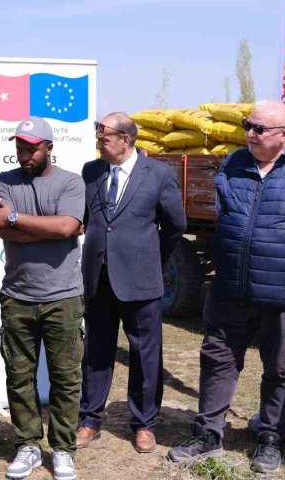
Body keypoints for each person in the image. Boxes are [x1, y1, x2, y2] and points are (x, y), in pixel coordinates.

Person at [168, 100, 285, 474]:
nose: (250, 134)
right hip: (230, 289)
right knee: (217, 362)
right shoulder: (233, 164)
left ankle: (270, 440)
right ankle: (208, 435)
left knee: (280, 369)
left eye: (259, 129)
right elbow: (224, 213)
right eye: (247, 125)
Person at [76, 112, 187, 455]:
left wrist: (150, 256)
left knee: (145, 354)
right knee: (96, 350)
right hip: (98, 279)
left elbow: (176, 225)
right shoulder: (91, 171)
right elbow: (86, 220)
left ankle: (144, 424)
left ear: (125, 139)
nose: (98, 142)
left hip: (141, 280)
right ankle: (90, 419)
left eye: (104, 136)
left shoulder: (158, 174)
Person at [0, 117, 86, 480]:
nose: (25, 156)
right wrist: (52, 229)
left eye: (32, 149)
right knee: (19, 375)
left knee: (66, 378)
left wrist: (16, 218)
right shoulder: (4, 181)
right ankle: (27, 444)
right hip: (18, 295)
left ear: (49, 147)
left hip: (64, 297)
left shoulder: (71, 182)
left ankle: (62, 449)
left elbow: (66, 226)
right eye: (20, 149)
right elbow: (2, 230)